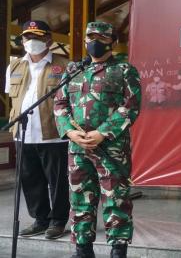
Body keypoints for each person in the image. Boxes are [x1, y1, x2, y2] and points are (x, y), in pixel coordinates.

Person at [54, 21, 141, 258]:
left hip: (111, 148)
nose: (95, 43)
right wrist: (69, 132)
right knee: (80, 199)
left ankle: (118, 250)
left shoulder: (124, 70)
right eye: (90, 37)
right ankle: (82, 249)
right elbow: (60, 103)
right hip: (78, 147)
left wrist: (102, 132)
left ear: (112, 42)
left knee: (116, 199)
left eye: (101, 39)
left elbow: (130, 107)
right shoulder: (73, 70)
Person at [4, 20, 70, 239]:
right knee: (30, 179)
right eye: (27, 37)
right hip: (23, 133)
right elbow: (13, 100)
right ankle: (40, 219)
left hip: (53, 134)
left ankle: (58, 221)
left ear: (48, 40)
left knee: (57, 182)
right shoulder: (14, 66)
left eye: (38, 37)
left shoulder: (64, 65)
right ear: (22, 40)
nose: (32, 41)